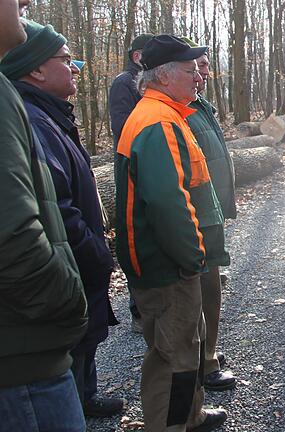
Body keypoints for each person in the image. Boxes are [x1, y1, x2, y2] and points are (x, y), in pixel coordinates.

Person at [0, 18, 125, 418]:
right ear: (37, 69)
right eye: (67, 59)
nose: (75, 68)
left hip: (73, 271)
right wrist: (93, 261)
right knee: (67, 362)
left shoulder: (49, 113)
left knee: (81, 354)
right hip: (57, 287)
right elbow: (55, 210)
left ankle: (86, 396)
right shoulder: (34, 119)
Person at [114, 35, 227, 432]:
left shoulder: (166, 114)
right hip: (168, 265)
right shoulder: (156, 122)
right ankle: (171, 426)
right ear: (163, 76)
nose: (198, 78)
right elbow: (168, 203)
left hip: (172, 261)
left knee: (186, 344)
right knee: (175, 356)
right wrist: (194, 257)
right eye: (190, 71)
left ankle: (191, 416)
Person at [0, 2, 89, 431]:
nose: (22, 5)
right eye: (66, 59)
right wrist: (68, 298)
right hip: (23, 357)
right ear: (36, 70)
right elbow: (14, 234)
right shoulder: (23, 110)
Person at [183, 36, 238, 392]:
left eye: (203, 67)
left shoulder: (200, 105)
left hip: (211, 212)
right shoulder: (177, 110)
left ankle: (208, 354)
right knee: (202, 288)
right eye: (196, 68)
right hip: (196, 218)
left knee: (212, 287)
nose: (203, 74)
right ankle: (204, 362)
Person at [108, 32, 153, 334]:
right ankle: (139, 310)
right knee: (137, 234)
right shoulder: (124, 83)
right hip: (133, 168)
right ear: (138, 57)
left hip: (151, 164)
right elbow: (124, 127)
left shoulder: (145, 84)